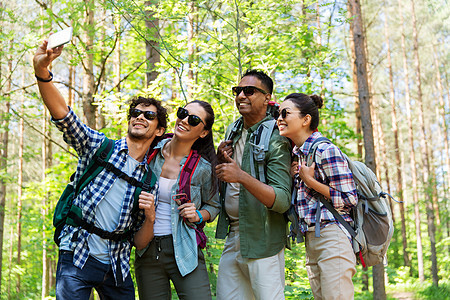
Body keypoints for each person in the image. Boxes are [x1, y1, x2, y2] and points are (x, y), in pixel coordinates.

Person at [33, 40, 167, 299]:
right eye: (136, 112)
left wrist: (150, 216)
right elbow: (63, 115)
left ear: (159, 130)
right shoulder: (99, 147)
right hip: (77, 254)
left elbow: (139, 242)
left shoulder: (150, 181)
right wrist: (42, 72)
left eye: (149, 116)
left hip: (117, 266)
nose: (140, 117)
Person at [215, 70, 292, 300]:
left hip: (263, 238)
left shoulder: (277, 136)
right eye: (237, 91)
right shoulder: (233, 130)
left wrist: (241, 176)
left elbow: (281, 200)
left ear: (267, 97)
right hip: (234, 235)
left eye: (249, 91)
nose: (241, 96)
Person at [134, 100, 220, 300]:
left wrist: (198, 214)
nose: (185, 120)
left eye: (194, 119)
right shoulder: (151, 151)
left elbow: (214, 205)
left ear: (203, 132)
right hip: (147, 250)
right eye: (183, 113)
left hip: (185, 249)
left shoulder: (203, 168)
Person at [276, 93, 358, 300]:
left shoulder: (325, 149)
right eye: (278, 113)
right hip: (312, 239)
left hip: (333, 237)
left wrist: (310, 181)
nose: (279, 118)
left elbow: (349, 197)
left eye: (285, 113)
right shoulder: (299, 154)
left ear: (306, 119)